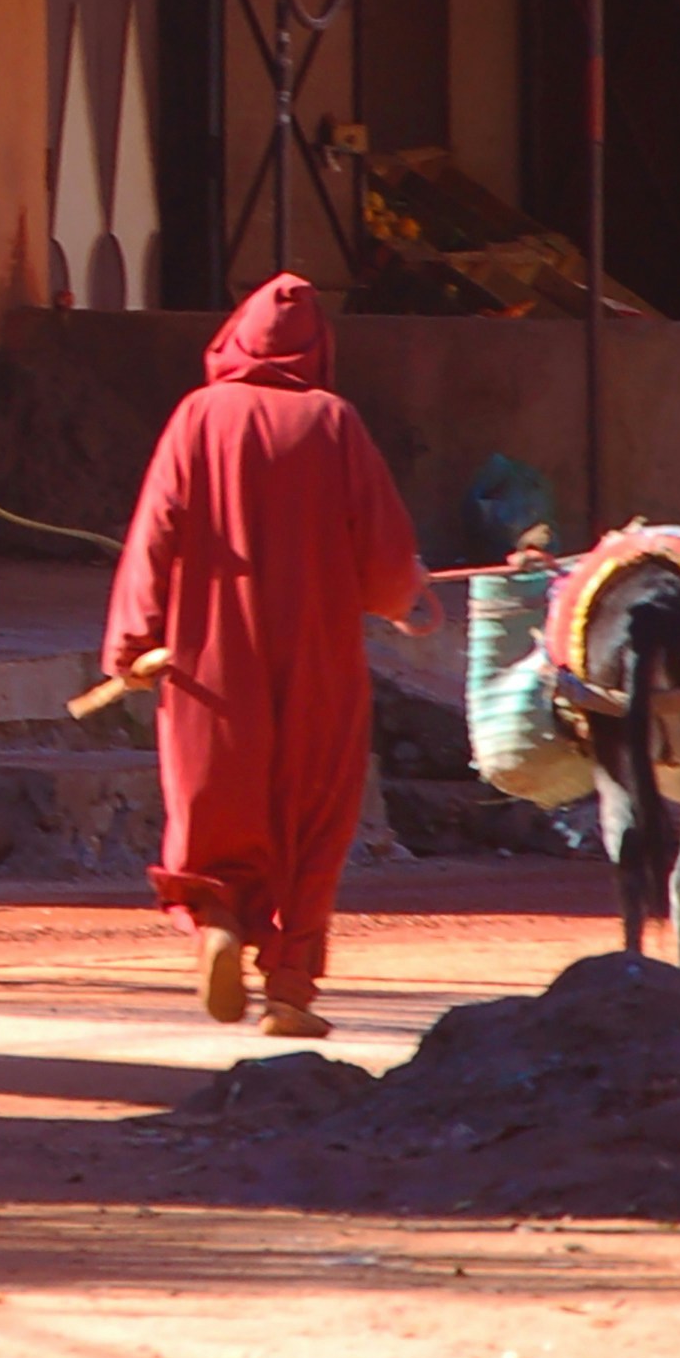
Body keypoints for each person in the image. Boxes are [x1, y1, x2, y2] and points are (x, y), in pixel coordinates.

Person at [101, 272, 426, 1038]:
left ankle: (216, 916)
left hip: (211, 654)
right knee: (314, 810)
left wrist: (133, 643)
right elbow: (382, 556)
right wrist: (401, 599)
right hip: (320, 655)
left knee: (219, 799)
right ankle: (288, 987)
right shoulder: (334, 422)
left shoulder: (197, 418)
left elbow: (155, 533)